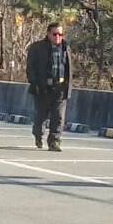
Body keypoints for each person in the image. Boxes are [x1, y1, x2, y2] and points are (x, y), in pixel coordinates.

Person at [26, 22, 72, 152]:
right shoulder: (37, 48)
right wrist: (34, 83)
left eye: (60, 34)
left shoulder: (66, 48)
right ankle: (38, 135)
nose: (58, 37)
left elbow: (68, 69)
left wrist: (68, 86)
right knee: (41, 116)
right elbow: (30, 67)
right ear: (48, 34)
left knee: (58, 116)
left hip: (60, 87)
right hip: (43, 87)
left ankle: (54, 141)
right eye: (55, 34)